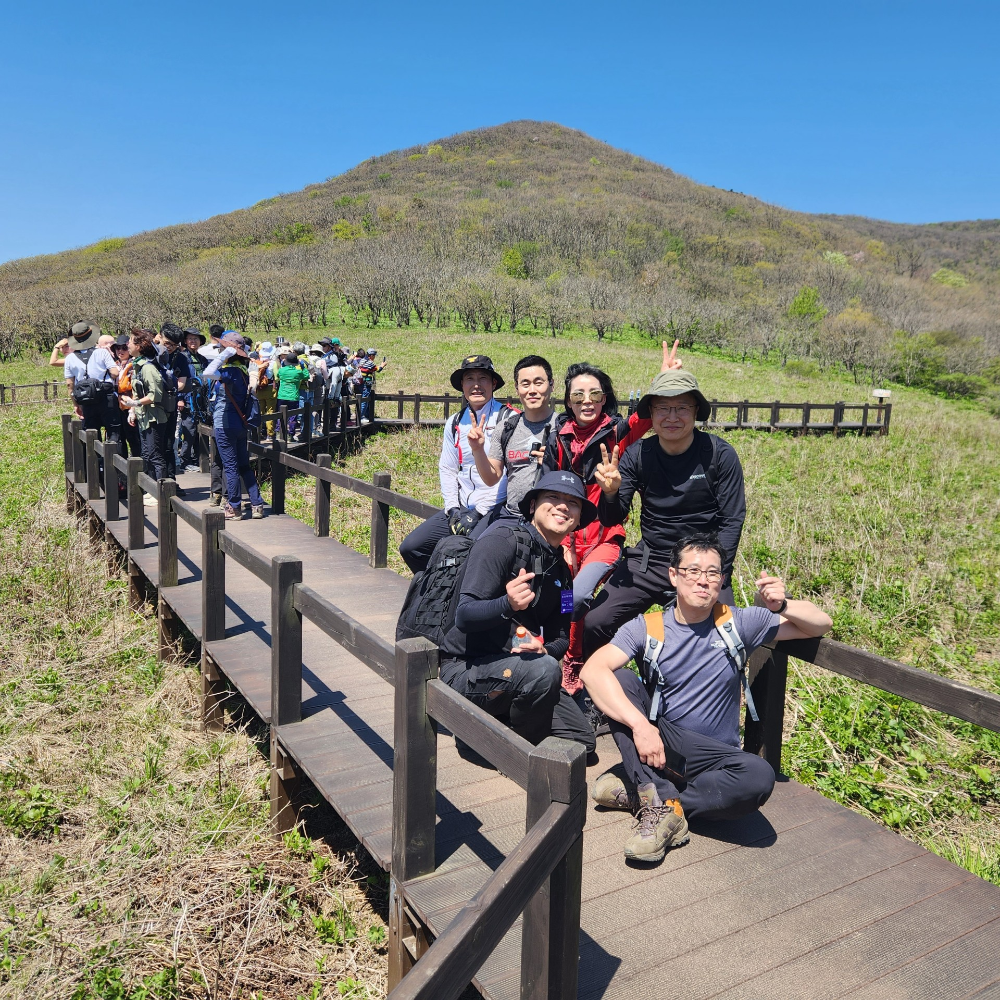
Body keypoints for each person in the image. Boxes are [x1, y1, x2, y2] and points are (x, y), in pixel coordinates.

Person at [580, 533, 832, 863]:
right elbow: (592, 671)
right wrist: (640, 727)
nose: (704, 581)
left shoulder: (738, 622)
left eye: (713, 573)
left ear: (722, 580)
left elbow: (820, 623)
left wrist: (782, 605)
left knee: (759, 777)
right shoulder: (647, 627)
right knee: (622, 679)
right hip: (662, 743)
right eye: (693, 571)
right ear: (674, 575)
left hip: (716, 756)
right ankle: (659, 806)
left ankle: (651, 799)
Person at [542, 342, 684, 706]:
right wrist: (560, 544)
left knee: (578, 597)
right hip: (568, 537)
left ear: (605, 398)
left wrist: (664, 378)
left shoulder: (617, 432)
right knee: (564, 600)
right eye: (578, 395)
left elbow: (648, 418)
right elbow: (551, 493)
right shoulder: (558, 438)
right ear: (569, 402)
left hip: (605, 536)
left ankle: (576, 663)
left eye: (594, 394)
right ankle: (568, 657)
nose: (587, 401)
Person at [582, 369, 747, 661]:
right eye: (662, 408)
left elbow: (732, 520)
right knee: (596, 622)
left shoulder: (719, 454)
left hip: (704, 560)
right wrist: (609, 493)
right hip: (652, 559)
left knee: (724, 640)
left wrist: (713, 571)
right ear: (652, 412)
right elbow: (611, 518)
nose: (672, 416)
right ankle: (602, 691)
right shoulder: (637, 454)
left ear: (696, 411)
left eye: (682, 407)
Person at [438, 470, 599, 754]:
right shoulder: (501, 541)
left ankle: (493, 730)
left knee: (582, 743)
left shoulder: (563, 572)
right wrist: (507, 604)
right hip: (464, 668)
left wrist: (545, 651)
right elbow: (464, 615)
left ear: (578, 517)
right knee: (544, 673)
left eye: (572, 502)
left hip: (519, 669)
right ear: (533, 505)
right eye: (553, 497)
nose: (563, 506)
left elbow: (561, 635)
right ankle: (521, 757)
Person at [399, 355, 510, 574]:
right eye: (469, 379)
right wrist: (452, 510)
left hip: (494, 507)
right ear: (462, 385)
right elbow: (448, 468)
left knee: (469, 555)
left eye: (483, 378)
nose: (476, 385)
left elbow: (507, 474)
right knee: (412, 548)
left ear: (494, 383)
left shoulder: (508, 419)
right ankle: (437, 594)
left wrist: (478, 512)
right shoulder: (455, 422)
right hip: (461, 507)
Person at [467, 355, 558, 537]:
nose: (532, 390)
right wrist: (477, 450)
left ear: (551, 385)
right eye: (525, 384)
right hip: (510, 516)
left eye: (538, 382)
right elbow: (492, 477)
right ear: (517, 389)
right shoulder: (507, 427)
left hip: (549, 524)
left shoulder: (564, 427)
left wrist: (554, 463)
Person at [203, 332, 266, 520]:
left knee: (230, 467)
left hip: (225, 425)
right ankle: (257, 504)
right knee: (244, 465)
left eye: (223, 347)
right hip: (239, 424)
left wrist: (224, 355)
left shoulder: (229, 372)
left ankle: (234, 507)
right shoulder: (244, 371)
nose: (220, 349)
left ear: (230, 351)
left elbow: (207, 373)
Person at [119, 328, 168, 506]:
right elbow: (137, 393)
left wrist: (134, 405)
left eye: (130, 342)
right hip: (143, 417)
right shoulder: (137, 365)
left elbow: (156, 395)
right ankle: (152, 489)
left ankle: (161, 493)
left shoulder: (148, 368)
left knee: (155, 455)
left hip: (154, 418)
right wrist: (133, 411)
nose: (127, 345)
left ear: (139, 346)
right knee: (147, 455)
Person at [158, 324, 192, 489]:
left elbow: (182, 383)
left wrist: (165, 389)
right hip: (152, 407)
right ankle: (155, 482)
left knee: (169, 444)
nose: (170, 347)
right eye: (167, 343)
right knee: (153, 447)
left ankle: (171, 482)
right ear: (159, 337)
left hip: (169, 405)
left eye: (174, 344)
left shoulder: (181, 358)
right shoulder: (152, 355)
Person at [178, 328, 208, 471]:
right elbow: (177, 380)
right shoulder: (181, 357)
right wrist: (180, 399)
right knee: (188, 431)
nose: (193, 341)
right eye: (190, 338)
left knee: (199, 431)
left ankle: (198, 459)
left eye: (196, 339)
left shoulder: (202, 359)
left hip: (200, 400)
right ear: (185, 341)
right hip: (187, 399)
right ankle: (185, 461)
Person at [113, 335, 142, 458]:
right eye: (117, 348)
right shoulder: (114, 365)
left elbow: (136, 389)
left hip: (130, 404)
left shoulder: (134, 365)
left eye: (124, 348)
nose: (120, 351)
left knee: (133, 437)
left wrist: (132, 410)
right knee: (119, 437)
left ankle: (138, 467)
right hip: (116, 405)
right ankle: (122, 470)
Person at [275, 349, 310, 439]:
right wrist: (303, 367)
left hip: (281, 395)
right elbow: (307, 376)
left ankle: (279, 433)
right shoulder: (297, 372)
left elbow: (277, 376)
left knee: (280, 415)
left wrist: (283, 366)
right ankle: (290, 435)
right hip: (293, 396)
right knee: (293, 416)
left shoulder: (282, 371)